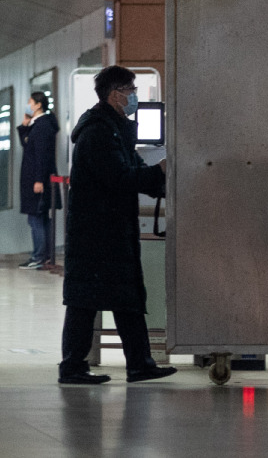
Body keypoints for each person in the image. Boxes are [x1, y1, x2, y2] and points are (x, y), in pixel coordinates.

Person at [59, 65, 177, 385]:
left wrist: (164, 177)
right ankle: (72, 366)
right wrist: (160, 172)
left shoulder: (115, 128)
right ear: (115, 95)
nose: (135, 96)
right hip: (95, 232)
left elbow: (133, 168)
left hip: (111, 230)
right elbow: (119, 177)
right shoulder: (98, 132)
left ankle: (140, 364)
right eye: (130, 90)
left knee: (127, 298)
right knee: (85, 301)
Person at [16, 91, 60, 269]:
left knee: (36, 218)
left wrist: (39, 180)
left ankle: (39, 256)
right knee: (39, 218)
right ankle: (43, 255)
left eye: (30, 102)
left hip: (38, 180)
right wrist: (24, 126)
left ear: (38, 105)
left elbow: (41, 156)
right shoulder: (38, 125)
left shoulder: (42, 126)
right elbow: (28, 146)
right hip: (35, 178)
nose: (28, 105)